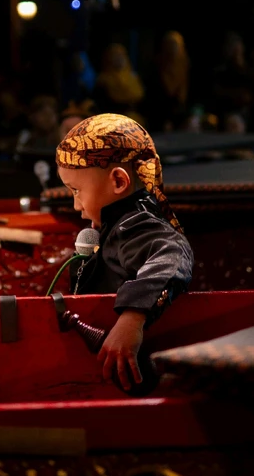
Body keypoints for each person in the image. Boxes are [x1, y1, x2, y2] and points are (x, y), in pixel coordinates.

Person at [56, 113, 193, 391]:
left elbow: (173, 253)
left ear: (118, 182)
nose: (75, 205)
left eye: (77, 191)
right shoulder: (117, 224)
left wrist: (132, 319)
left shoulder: (137, 224)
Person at [146, 31, 191, 131]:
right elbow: (154, 99)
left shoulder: (187, 67)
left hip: (184, 115)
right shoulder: (157, 67)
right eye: (169, 44)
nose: (172, 48)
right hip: (161, 116)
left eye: (175, 44)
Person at [209, 32, 252, 124]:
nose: (235, 50)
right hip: (223, 109)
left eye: (238, 47)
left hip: (242, 111)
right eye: (232, 46)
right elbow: (216, 91)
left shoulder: (248, 69)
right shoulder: (220, 69)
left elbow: (248, 95)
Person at [94, 43, 145, 119]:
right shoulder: (103, 80)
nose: (119, 59)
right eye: (115, 56)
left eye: (121, 55)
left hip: (136, 120)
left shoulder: (133, 77)